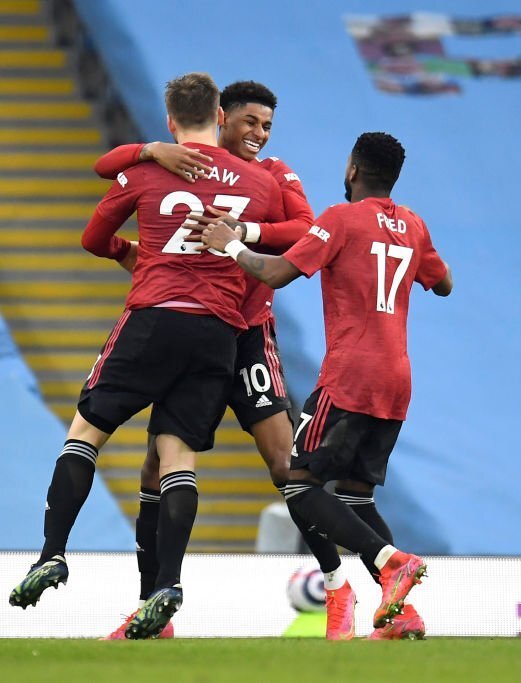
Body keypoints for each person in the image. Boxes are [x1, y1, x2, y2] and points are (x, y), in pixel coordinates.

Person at [8, 73, 285, 642]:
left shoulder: (147, 170)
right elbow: (296, 232)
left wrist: (132, 248)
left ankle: (52, 554)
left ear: (169, 120)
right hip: (217, 332)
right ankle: (167, 585)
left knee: (86, 434)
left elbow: (93, 238)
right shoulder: (259, 181)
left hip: (153, 318)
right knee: (177, 458)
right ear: (220, 116)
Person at [92, 80, 354, 639]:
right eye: (250, 122)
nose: (259, 134)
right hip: (197, 330)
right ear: (221, 118)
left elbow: (306, 229)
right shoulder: (182, 165)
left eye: (267, 126)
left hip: (249, 336)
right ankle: (151, 607)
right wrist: (149, 150)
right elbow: (109, 169)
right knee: (154, 468)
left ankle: (337, 589)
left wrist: (245, 231)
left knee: (283, 465)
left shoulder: (273, 174)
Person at [198, 131, 453, 639]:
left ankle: (391, 561)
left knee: (298, 484)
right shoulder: (413, 225)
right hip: (396, 378)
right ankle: (401, 613)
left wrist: (232, 245)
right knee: (357, 497)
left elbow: (275, 274)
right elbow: (443, 283)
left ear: (353, 169)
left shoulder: (340, 218)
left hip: (350, 374)